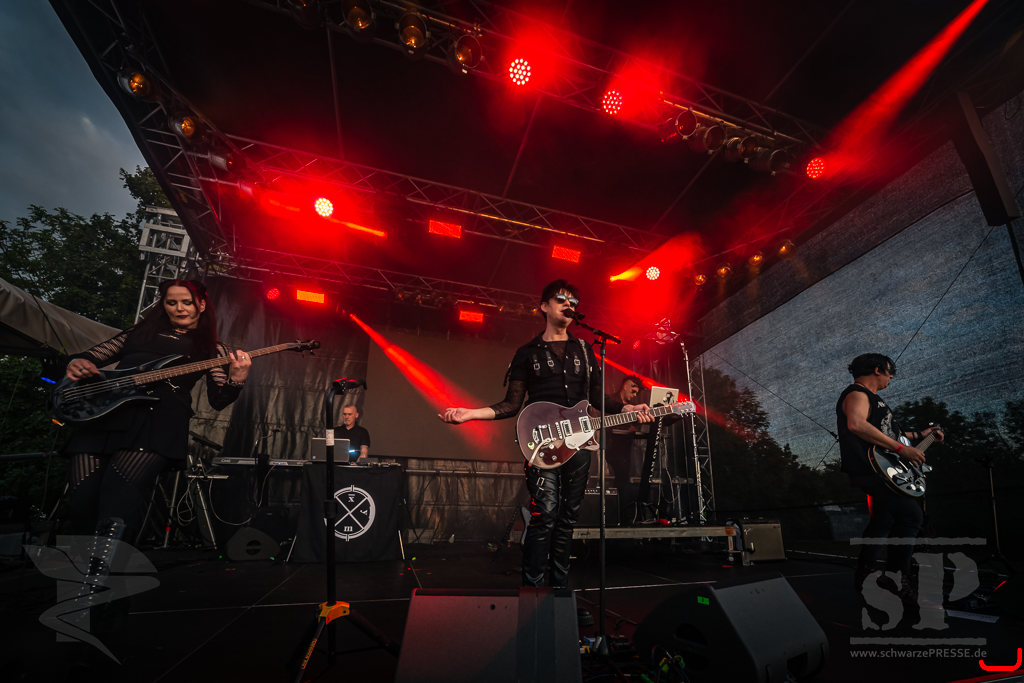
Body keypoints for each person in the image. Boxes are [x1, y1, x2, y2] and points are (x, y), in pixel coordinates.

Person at [61, 279, 250, 640]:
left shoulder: (212, 348)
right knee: (82, 510)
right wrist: (78, 362)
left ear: (201, 304)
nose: (179, 308)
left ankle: (105, 616)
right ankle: (87, 607)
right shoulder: (139, 332)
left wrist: (237, 379)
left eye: (186, 302)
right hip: (102, 418)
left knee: (115, 516)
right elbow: (90, 357)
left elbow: (218, 400)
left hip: (155, 424)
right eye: (171, 302)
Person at [438, 279, 654, 588]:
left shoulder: (585, 350)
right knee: (545, 513)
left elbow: (597, 398)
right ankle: (534, 591)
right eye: (562, 299)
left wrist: (626, 408)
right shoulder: (526, 353)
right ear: (544, 306)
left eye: (573, 302)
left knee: (568, 518)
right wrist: (471, 413)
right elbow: (511, 404)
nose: (569, 305)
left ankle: (559, 591)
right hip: (541, 442)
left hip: (579, 444)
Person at [837, 353, 943, 602]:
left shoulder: (874, 400)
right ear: (877, 369)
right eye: (890, 370)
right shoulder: (857, 393)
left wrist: (923, 435)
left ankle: (865, 573)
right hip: (872, 468)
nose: (892, 377)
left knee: (883, 519)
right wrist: (901, 449)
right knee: (911, 515)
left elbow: (892, 434)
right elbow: (856, 424)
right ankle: (897, 579)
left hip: (881, 468)